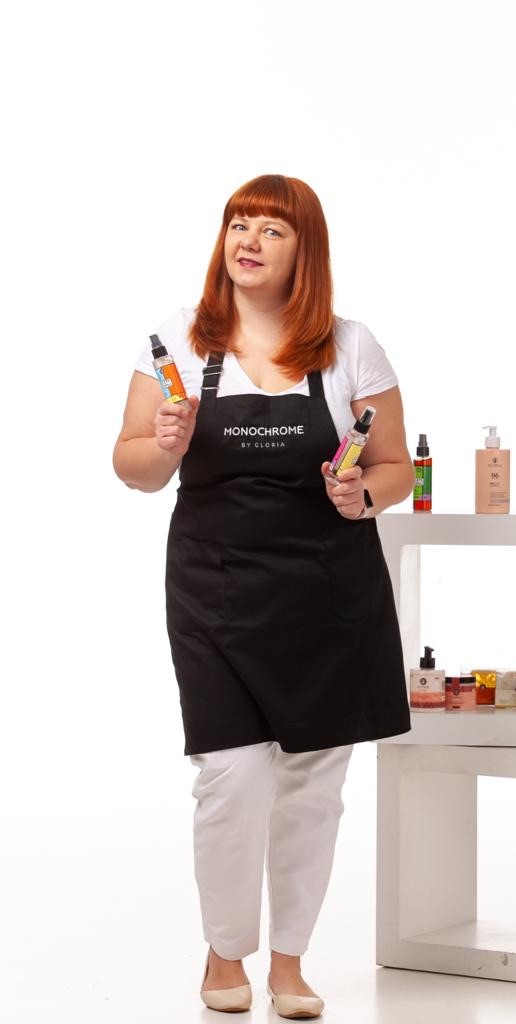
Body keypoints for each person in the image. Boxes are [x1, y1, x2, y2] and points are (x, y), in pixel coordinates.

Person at [113, 174, 414, 1018]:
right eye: (238, 225)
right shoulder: (179, 342)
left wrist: (362, 494)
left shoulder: (351, 346)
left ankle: (289, 964)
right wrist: (166, 444)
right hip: (215, 589)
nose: (247, 241)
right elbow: (132, 468)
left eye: (271, 230)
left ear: (305, 250)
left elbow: (393, 466)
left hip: (329, 594)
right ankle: (224, 951)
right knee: (230, 777)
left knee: (314, 786)